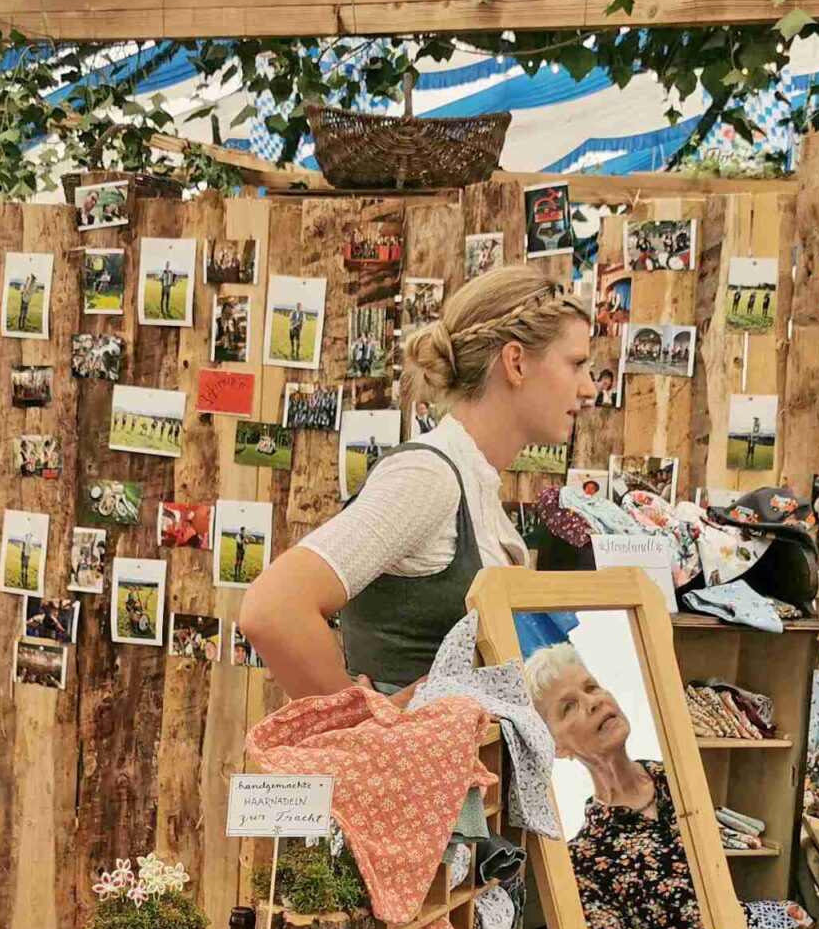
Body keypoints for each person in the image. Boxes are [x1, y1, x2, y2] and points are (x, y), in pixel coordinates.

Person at [242, 264, 596, 695]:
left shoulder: (475, 484)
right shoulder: (428, 478)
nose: (589, 389)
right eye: (576, 364)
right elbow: (274, 607)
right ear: (516, 363)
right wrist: (364, 724)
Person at [524, 643, 703, 929]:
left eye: (591, 687)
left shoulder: (685, 781)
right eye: (568, 707)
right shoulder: (584, 859)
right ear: (557, 748)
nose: (593, 702)